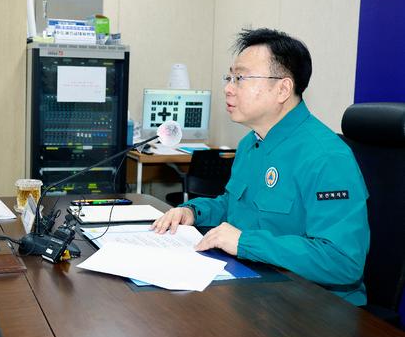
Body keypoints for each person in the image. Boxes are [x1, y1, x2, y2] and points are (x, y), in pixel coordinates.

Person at [152, 28, 370, 305]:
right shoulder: (250, 144)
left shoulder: (326, 157)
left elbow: (343, 261)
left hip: (317, 307)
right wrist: (192, 212)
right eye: (229, 77)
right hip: (259, 291)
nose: (228, 88)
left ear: (283, 89)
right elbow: (233, 206)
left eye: (241, 78)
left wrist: (245, 243)